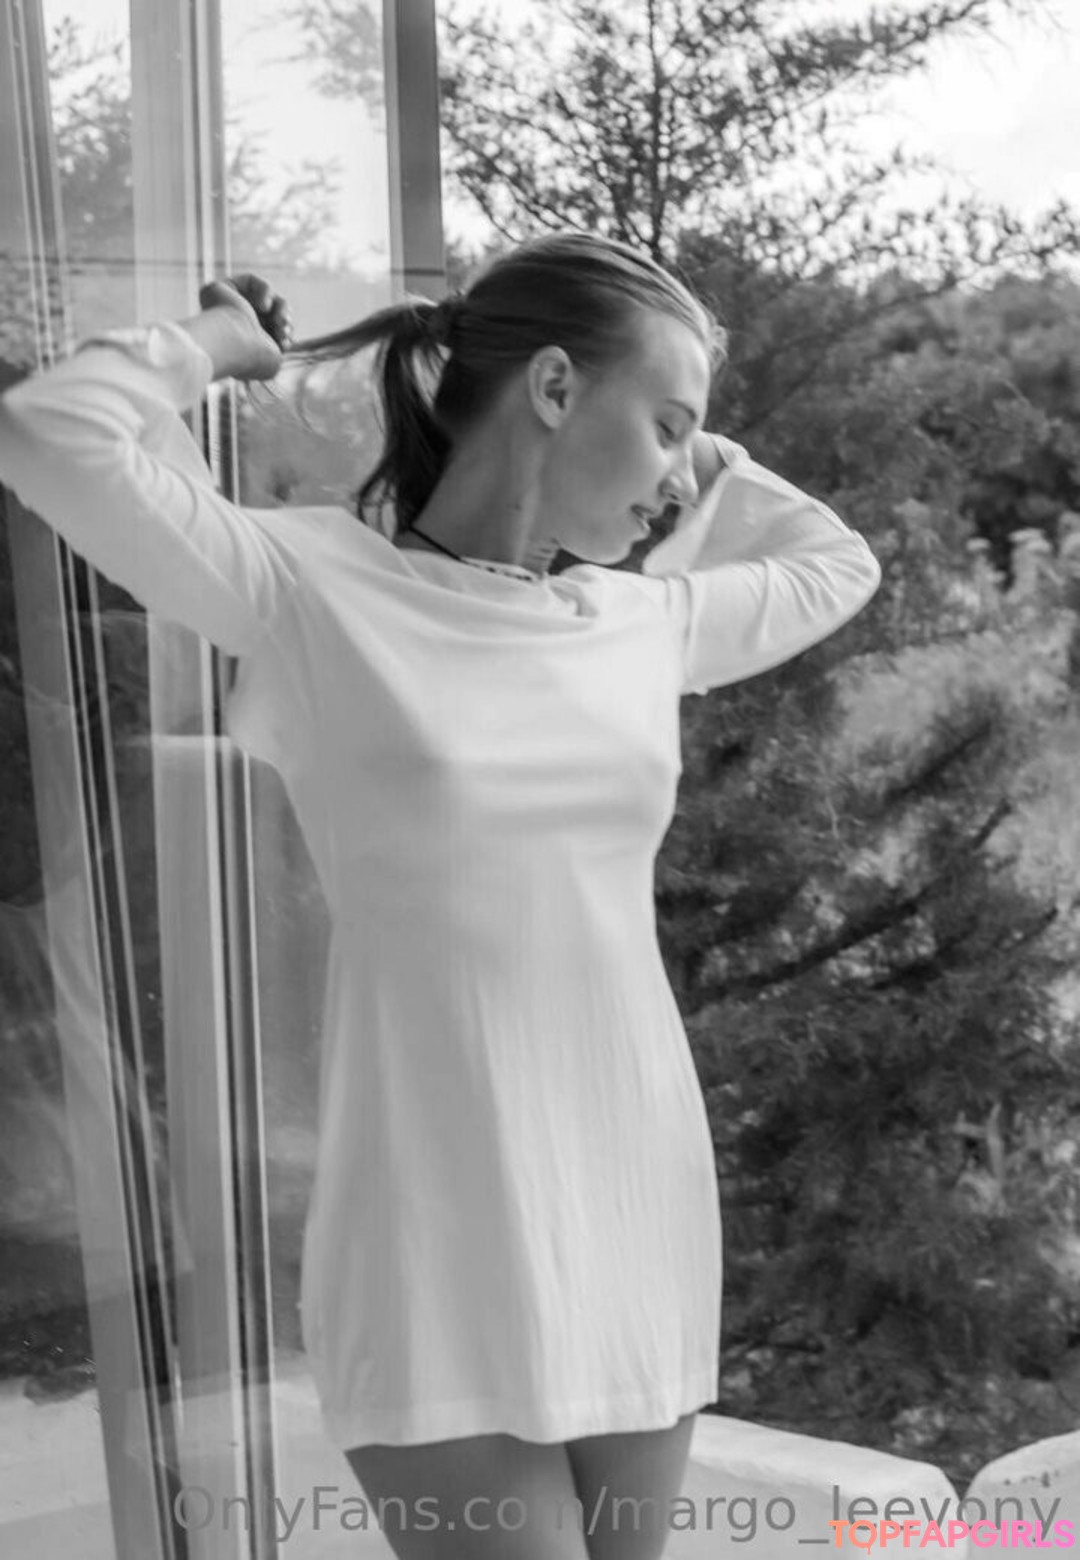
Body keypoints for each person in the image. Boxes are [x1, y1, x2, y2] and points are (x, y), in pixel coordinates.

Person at [0, 231, 881, 1560]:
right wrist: (214, 347)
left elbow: (837, 562)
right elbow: (48, 433)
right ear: (553, 387)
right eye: (665, 426)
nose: (676, 478)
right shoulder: (310, 588)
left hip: (631, 1196)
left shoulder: (635, 625)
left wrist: (697, 448)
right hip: (434, 1222)